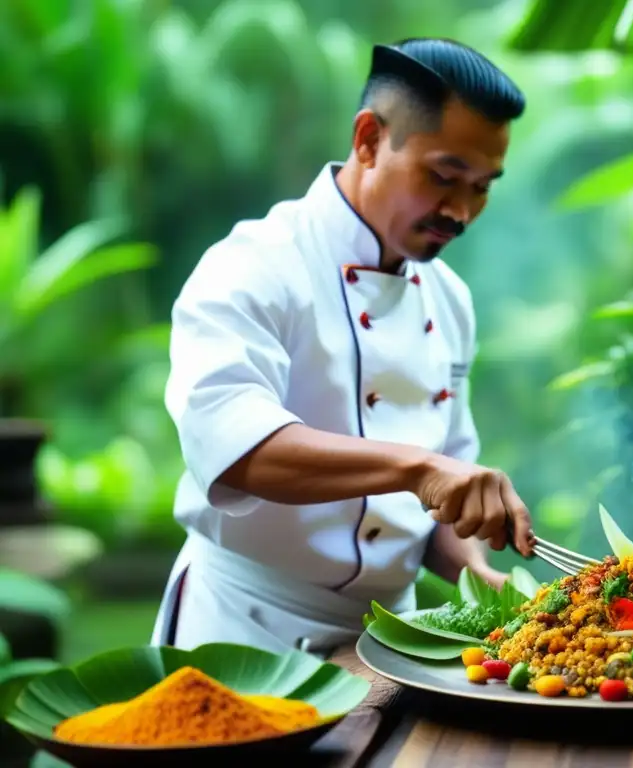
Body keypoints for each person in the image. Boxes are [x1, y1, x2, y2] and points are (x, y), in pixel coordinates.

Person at [151, 38, 535, 656]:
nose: (462, 210)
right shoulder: (253, 265)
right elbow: (238, 454)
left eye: (483, 187)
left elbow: (445, 491)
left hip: (386, 642)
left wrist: (473, 570)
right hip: (243, 630)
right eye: (444, 177)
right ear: (368, 139)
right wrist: (420, 468)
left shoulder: (449, 298)